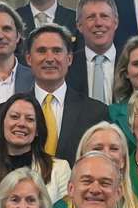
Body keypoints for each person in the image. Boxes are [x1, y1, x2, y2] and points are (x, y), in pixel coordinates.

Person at [27, 23, 109, 163]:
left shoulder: (96, 112)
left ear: (69, 59)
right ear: (29, 59)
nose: (49, 58)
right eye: (41, 51)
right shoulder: (8, 111)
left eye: (57, 51)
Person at [0, 91, 72, 202]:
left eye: (29, 119)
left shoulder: (59, 169)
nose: (21, 124)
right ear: (2, 123)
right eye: (15, 117)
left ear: (37, 130)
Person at [74, 121, 138, 208]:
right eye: (97, 148)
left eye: (114, 149)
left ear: (123, 160)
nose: (106, 154)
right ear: (82, 157)